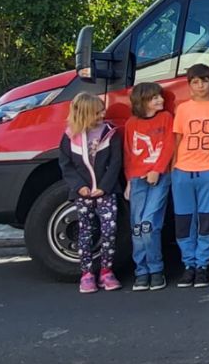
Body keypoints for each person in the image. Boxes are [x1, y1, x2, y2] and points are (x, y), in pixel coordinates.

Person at [59, 92, 124, 294]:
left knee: (109, 231)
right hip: (83, 194)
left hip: (106, 191)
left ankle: (106, 271)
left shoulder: (110, 132)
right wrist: (79, 186)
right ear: (84, 114)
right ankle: (86, 273)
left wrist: (104, 187)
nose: (102, 114)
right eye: (97, 112)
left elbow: (115, 163)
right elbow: (66, 164)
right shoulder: (70, 136)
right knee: (85, 232)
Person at [172, 63, 209, 288]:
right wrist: (173, 167)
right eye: (195, 82)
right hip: (183, 170)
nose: (200, 85)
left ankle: (203, 265)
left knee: (206, 220)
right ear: (189, 85)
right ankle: (189, 265)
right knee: (185, 220)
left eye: (204, 81)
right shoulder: (183, 108)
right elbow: (178, 139)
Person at [123, 82, 175, 291]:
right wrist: (128, 180)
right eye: (155, 98)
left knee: (149, 225)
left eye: (160, 97)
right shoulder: (131, 123)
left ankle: (156, 269)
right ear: (142, 101)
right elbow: (128, 154)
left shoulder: (166, 118)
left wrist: (158, 170)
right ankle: (141, 271)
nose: (160, 100)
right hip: (137, 179)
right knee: (136, 227)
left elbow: (170, 145)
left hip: (159, 178)